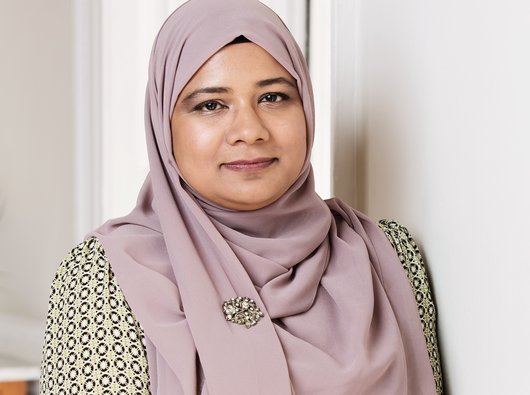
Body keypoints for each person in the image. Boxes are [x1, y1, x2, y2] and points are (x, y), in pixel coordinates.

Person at [40, 0, 442, 393]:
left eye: (273, 97)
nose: (249, 130)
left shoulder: (388, 255)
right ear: (164, 126)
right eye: (211, 105)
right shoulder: (106, 276)